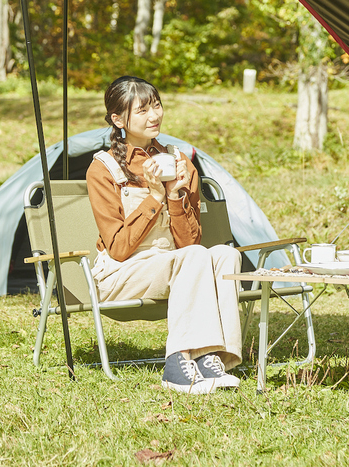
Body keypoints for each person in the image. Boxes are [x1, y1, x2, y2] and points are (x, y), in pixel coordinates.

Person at [86, 76, 243, 394]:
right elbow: (117, 249)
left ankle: (212, 359)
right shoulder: (103, 169)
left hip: (175, 264)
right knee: (195, 257)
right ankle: (177, 364)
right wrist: (154, 197)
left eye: (156, 105)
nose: (154, 115)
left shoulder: (181, 161)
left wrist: (175, 195)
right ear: (118, 120)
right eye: (142, 110)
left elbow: (189, 243)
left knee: (226, 254)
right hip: (120, 273)